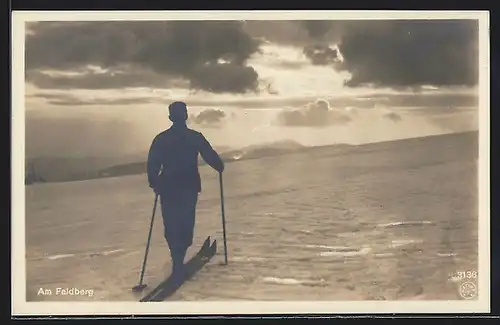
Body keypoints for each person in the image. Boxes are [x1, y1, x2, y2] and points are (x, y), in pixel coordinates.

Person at [147, 101, 224, 280]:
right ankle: (178, 263)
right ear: (186, 115)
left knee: (172, 225)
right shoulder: (194, 136)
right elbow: (209, 155)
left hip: (168, 188)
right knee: (185, 224)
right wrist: (219, 165)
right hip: (188, 187)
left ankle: (177, 262)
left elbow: (152, 165)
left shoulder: (161, 139)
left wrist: (155, 183)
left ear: (170, 117)